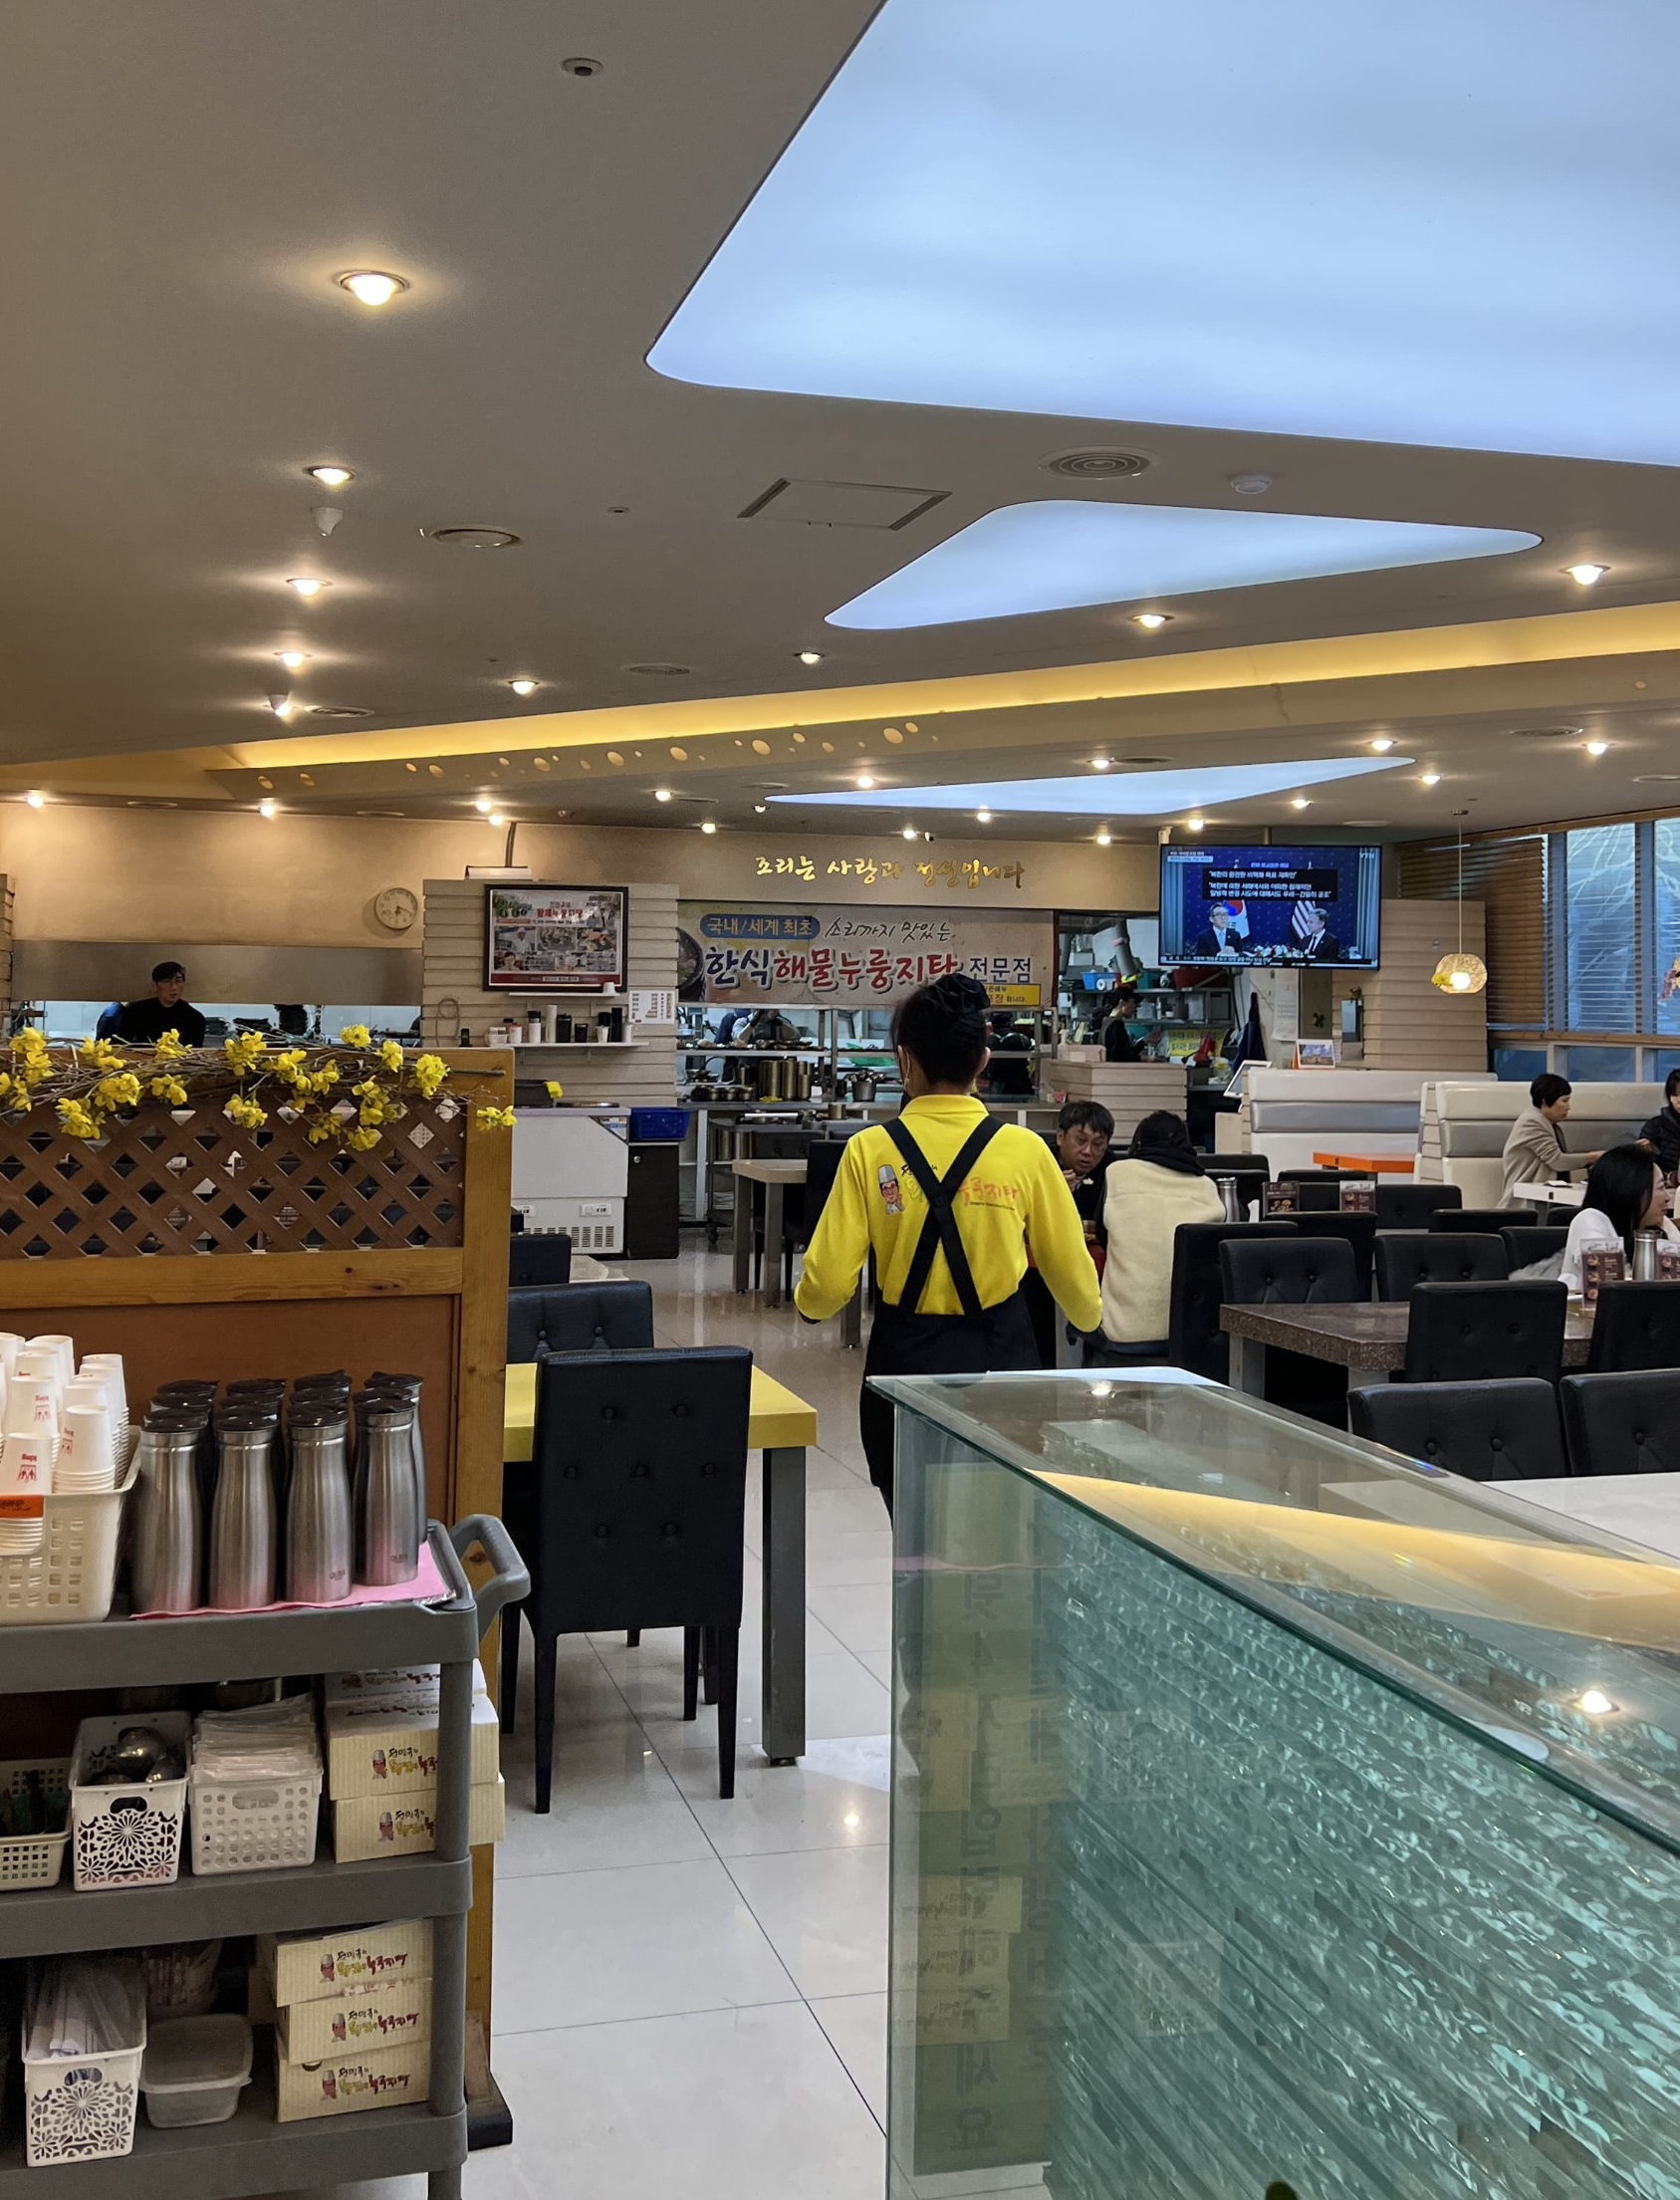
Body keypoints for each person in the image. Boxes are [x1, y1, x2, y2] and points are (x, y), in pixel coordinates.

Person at [795, 973, 1101, 1510]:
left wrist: (808, 1304)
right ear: (982, 1061)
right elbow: (1078, 1292)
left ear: (904, 1059)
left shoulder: (869, 1150)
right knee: (1003, 1523)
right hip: (1002, 1362)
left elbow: (825, 1290)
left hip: (903, 1362)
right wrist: (1089, 1316)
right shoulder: (1026, 1151)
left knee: (914, 1527)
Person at [1088, 1110, 1225, 1361]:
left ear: (1138, 1143)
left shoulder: (1117, 1174)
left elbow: (1103, 1236)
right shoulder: (1207, 1187)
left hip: (1124, 1335)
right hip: (1192, 1337)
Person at [1022, 1100, 1115, 1364]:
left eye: (1098, 1145)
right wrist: (1053, 1193)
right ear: (1061, 1137)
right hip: (1038, 1265)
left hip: (1095, 1265)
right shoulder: (1039, 1163)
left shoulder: (1113, 1171)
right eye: (1080, 1140)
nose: (1088, 1152)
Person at [1560, 1145, 1679, 1294]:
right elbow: (1611, 1290)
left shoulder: (1659, 1223)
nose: (1667, 1197)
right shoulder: (1589, 1220)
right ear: (1633, 1189)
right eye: (1661, 1188)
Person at [1499, 1074, 1601, 1208]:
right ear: (1546, 1100)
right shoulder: (1532, 1122)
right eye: (1564, 1101)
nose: (1568, 1107)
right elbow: (1557, 1161)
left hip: (1544, 1202)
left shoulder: (1549, 1124)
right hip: (1526, 1205)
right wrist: (1593, 1157)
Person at [114, 961, 206, 1048]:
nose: (174, 987)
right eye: (167, 981)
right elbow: (121, 1045)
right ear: (155, 985)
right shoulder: (136, 1011)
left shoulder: (195, 1018)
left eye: (178, 981)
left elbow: (194, 1052)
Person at [1637, 1067, 1680, 1178]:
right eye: (1674, 1095)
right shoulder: (1655, 1126)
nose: (1679, 1100)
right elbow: (1642, 1167)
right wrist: (1648, 1151)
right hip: (1663, 1183)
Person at [984, 1012, 1035, 1097]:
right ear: (1010, 1022)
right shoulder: (1021, 1038)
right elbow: (1033, 1053)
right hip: (1020, 1083)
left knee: (995, 1103)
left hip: (997, 1083)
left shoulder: (987, 1040)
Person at [1101, 987, 1142, 1063]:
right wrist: (1144, 1058)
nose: (1135, 1007)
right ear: (1122, 1002)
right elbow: (1120, 1058)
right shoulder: (1115, 1026)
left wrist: (1144, 1042)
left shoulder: (1107, 1021)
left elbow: (1125, 1053)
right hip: (1114, 1069)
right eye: (1133, 1002)